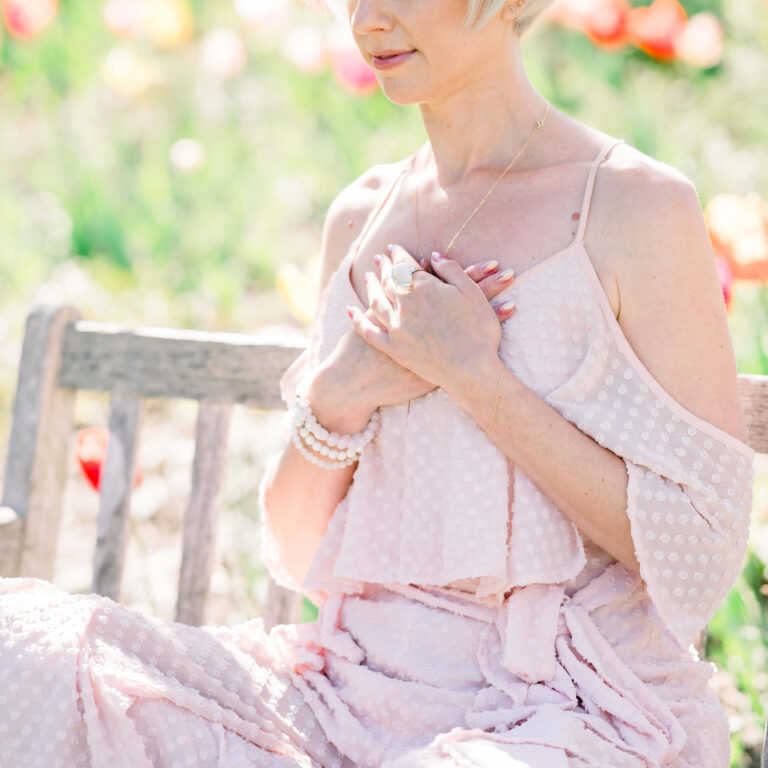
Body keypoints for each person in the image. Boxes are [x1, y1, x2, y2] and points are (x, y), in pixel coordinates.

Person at [0, 0, 754, 766]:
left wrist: (475, 379)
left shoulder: (635, 204)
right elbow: (297, 551)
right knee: (22, 651)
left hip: (566, 706)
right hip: (343, 698)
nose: (368, 20)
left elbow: (702, 551)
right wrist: (340, 394)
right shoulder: (361, 218)